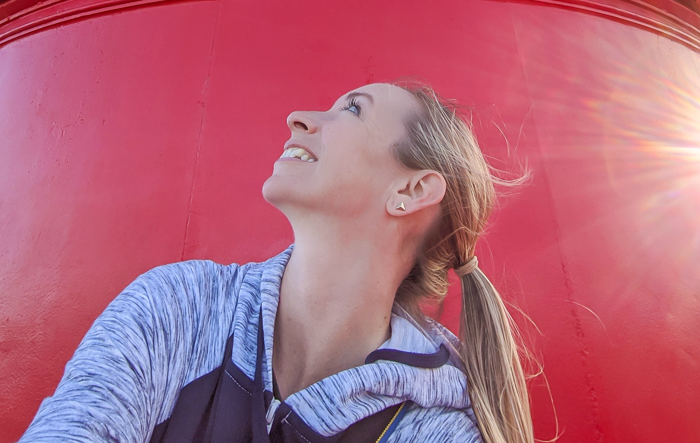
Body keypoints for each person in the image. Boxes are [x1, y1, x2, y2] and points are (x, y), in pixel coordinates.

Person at [17, 82, 534, 443]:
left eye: (353, 109)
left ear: (412, 190)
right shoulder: (173, 310)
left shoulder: (440, 431)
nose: (299, 118)